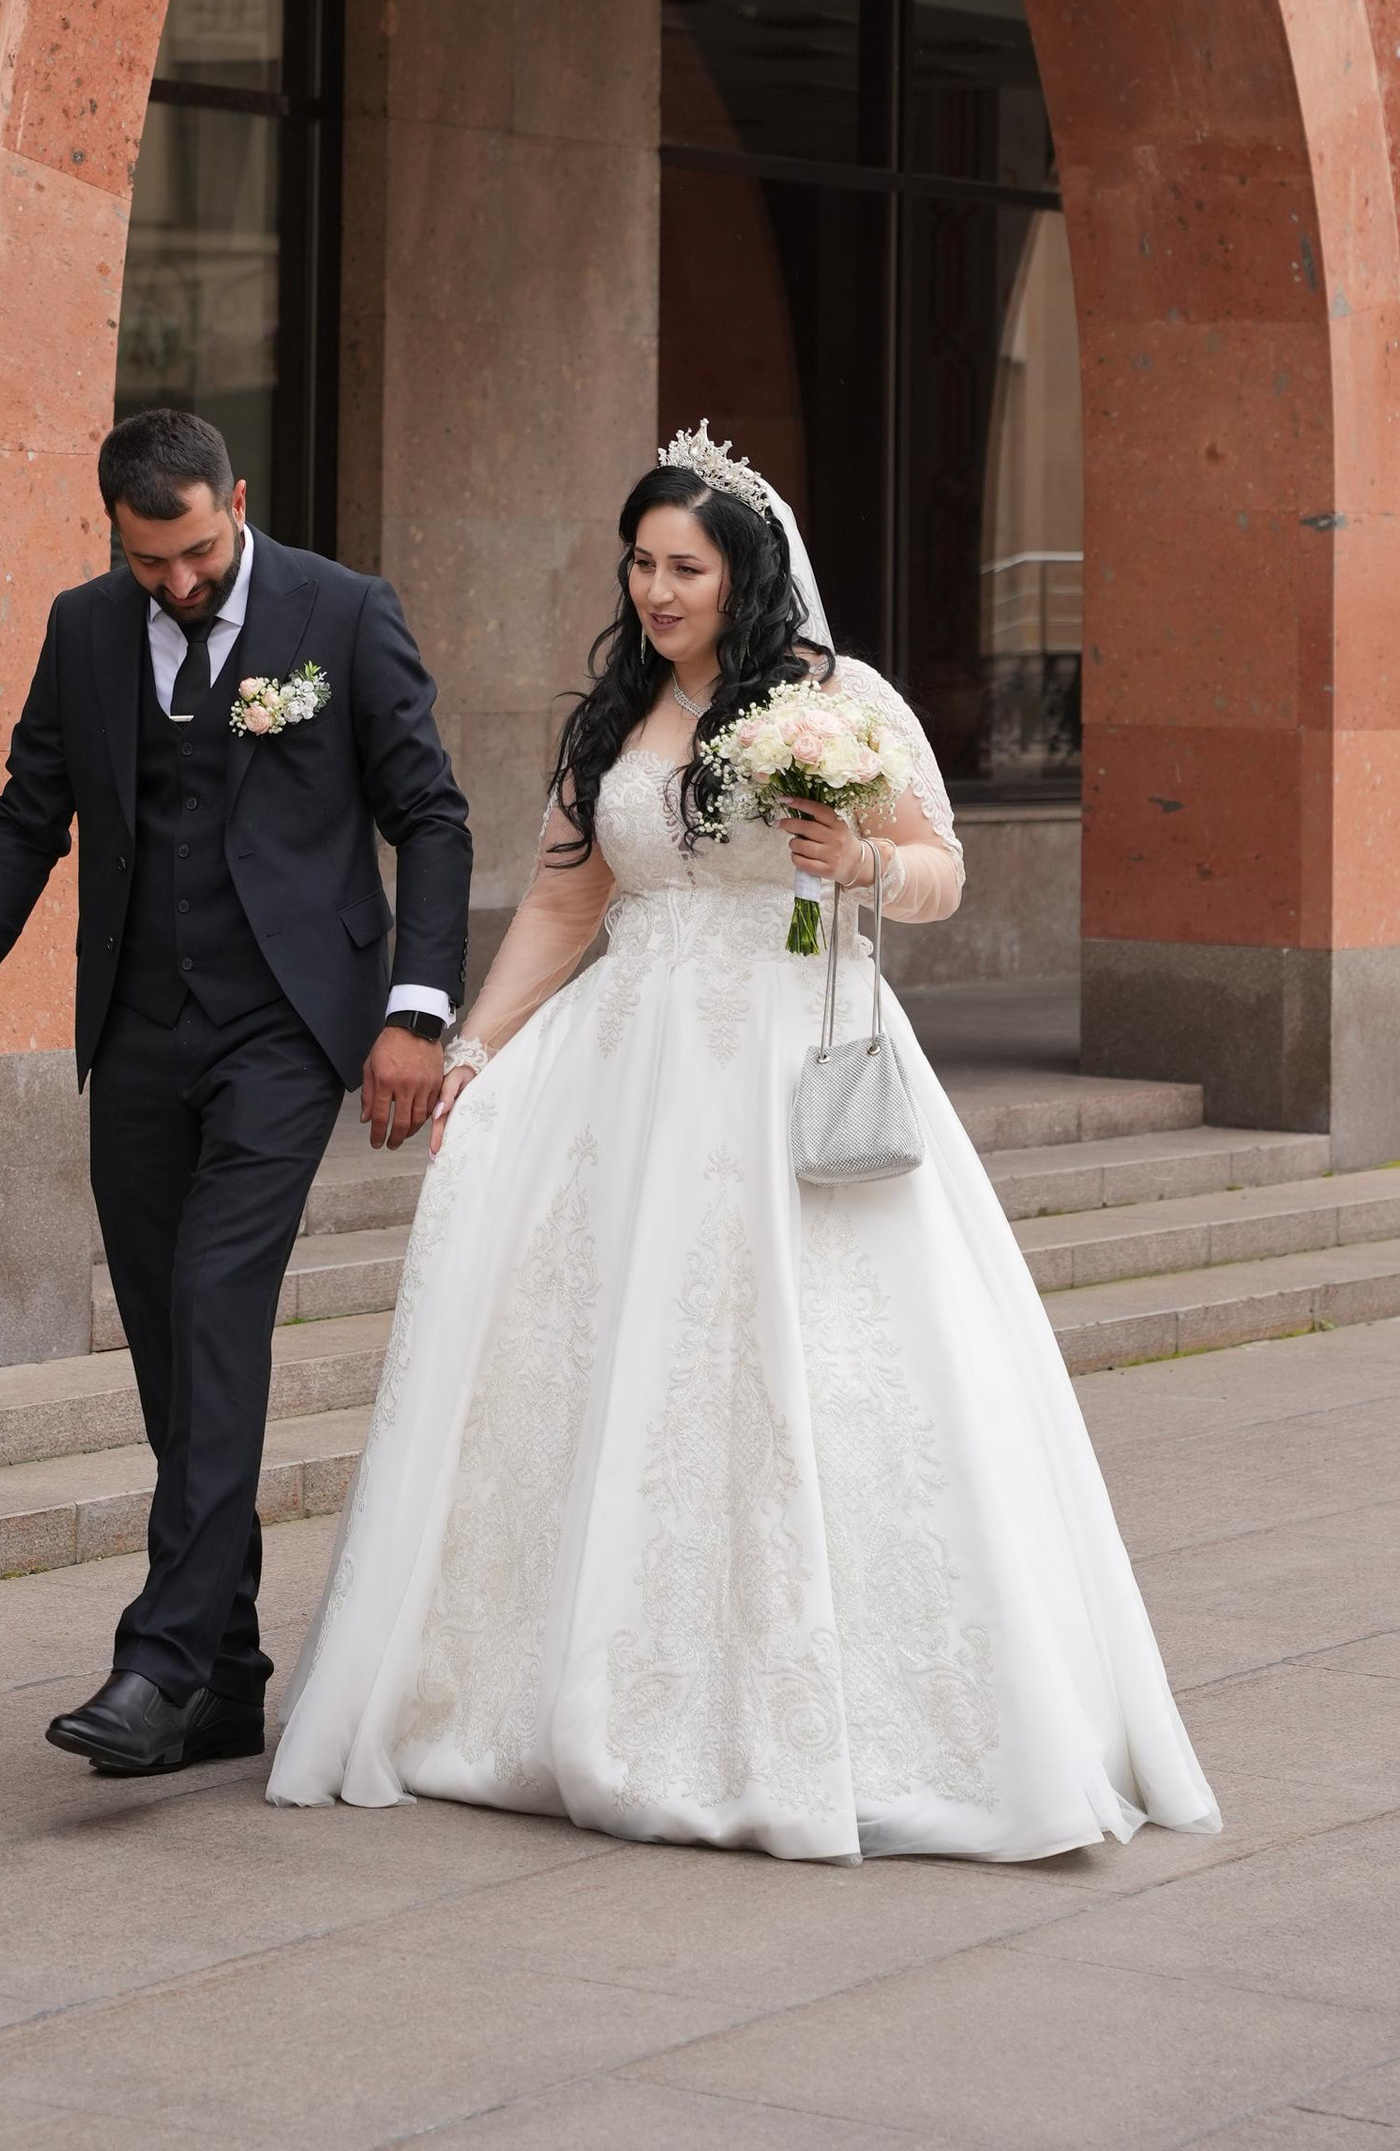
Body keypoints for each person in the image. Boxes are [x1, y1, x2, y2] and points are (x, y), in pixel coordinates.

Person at [269, 428, 1220, 1864]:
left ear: (744, 573)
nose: (656, 591)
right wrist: (473, 1048)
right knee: (608, 1367)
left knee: (819, 1369)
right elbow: (563, 906)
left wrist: (865, 866)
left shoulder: (839, 704)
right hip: (628, 1078)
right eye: (641, 565)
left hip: (789, 1059)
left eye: (685, 567)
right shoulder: (617, 720)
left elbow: (945, 875)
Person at [0, 407, 470, 1779]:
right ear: (116, 535)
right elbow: (32, 813)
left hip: (286, 1026)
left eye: (199, 552)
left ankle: (160, 1657)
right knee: (169, 1338)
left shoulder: (344, 611)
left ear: (237, 501)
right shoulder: (87, 629)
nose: (181, 584)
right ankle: (230, 1675)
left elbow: (429, 814)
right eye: (152, 563)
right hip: (138, 1031)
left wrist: (416, 1011)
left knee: (217, 1299)